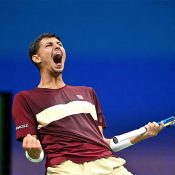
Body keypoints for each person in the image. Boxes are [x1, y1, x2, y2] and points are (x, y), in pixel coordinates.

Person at [12, 32, 164, 175]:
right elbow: (35, 153)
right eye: (49, 45)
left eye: (59, 44)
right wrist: (33, 152)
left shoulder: (88, 93)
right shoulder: (25, 98)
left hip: (108, 166)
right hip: (66, 169)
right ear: (36, 58)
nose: (57, 46)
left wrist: (143, 135)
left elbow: (103, 143)